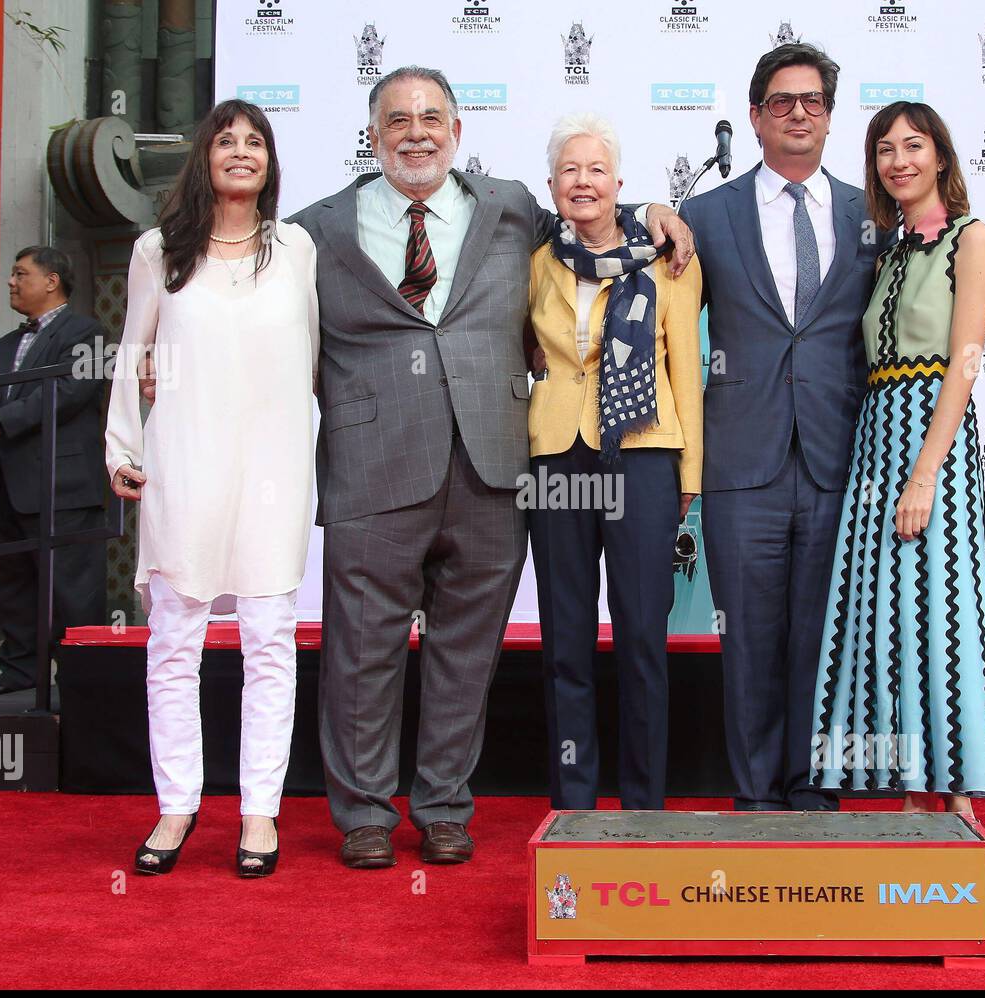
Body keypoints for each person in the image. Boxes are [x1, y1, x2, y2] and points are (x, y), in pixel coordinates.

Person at [289, 65, 692, 869]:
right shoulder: (314, 230)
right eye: (398, 118)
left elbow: (592, 219)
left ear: (457, 133)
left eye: (433, 117)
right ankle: (364, 811)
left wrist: (653, 205)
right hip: (373, 466)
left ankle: (442, 805)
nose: (417, 131)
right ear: (373, 136)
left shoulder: (508, 208)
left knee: (466, 651)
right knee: (362, 649)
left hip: (492, 465)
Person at [106, 99, 319, 877]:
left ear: (269, 161)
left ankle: (259, 813)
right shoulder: (158, 250)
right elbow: (132, 354)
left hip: (274, 464)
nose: (239, 152)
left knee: (270, 642)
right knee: (173, 641)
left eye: (253, 141)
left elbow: (317, 359)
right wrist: (121, 446)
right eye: (224, 141)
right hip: (184, 460)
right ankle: (176, 805)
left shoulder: (297, 249)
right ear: (203, 158)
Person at [678, 43, 891, 811]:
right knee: (750, 643)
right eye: (781, 101)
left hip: (841, 461)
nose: (797, 112)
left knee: (824, 641)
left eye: (812, 101)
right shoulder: (703, 216)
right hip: (741, 464)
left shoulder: (873, 218)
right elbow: (666, 335)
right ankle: (757, 797)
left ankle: (816, 790)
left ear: (831, 118)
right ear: (756, 117)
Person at [809, 102, 985, 817]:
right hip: (876, 436)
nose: (899, 161)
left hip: (935, 438)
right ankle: (903, 791)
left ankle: (959, 795)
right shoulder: (890, 249)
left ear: (941, 156)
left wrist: (925, 472)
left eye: (913, 146)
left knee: (940, 603)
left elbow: (963, 364)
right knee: (885, 613)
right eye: (885, 151)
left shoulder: (973, 238)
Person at [527, 113, 703, 810]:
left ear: (620, 185)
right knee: (565, 639)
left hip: (643, 456)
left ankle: (644, 803)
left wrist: (691, 473)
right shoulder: (536, 260)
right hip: (558, 458)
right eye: (570, 170)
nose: (583, 181)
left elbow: (687, 369)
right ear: (551, 185)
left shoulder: (668, 259)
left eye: (596, 169)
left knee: (640, 639)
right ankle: (572, 800)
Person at [0, 248, 108, 699]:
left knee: (71, 588)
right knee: (13, 584)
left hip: (63, 486)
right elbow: (13, 405)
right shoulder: (7, 344)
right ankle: (21, 668)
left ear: (52, 281)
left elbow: (70, 392)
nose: (11, 281)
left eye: (20, 273)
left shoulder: (88, 332)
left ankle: (84, 676)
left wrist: (2, 419)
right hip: (9, 481)